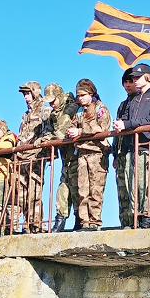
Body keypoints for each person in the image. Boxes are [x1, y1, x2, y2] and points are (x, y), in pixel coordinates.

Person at [113, 63, 150, 228]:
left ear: (148, 77)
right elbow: (126, 118)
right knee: (131, 186)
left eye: (137, 77)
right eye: (132, 77)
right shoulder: (133, 99)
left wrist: (127, 124)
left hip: (147, 146)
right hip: (130, 147)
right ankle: (136, 218)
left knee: (143, 185)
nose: (134, 80)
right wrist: (121, 125)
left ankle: (145, 218)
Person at [66, 79, 112, 230]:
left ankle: (94, 221)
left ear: (91, 93)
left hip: (96, 153)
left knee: (95, 189)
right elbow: (71, 127)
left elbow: (101, 128)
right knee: (82, 190)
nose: (80, 98)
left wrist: (80, 132)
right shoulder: (79, 111)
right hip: (81, 153)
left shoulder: (100, 108)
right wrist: (72, 132)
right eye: (78, 95)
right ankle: (84, 221)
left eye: (83, 95)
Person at [43, 83, 80, 232]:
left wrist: (49, 138)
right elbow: (50, 132)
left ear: (59, 96)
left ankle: (80, 221)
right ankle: (60, 221)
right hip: (66, 158)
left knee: (77, 190)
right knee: (63, 189)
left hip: (78, 156)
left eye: (53, 100)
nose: (51, 104)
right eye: (49, 102)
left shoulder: (70, 108)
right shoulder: (54, 113)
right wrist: (45, 138)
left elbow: (60, 133)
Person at [15, 82, 51, 234]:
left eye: (28, 94)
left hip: (35, 157)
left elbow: (47, 132)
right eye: (24, 95)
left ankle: (36, 224)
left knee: (34, 193)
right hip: (22, 157)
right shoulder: (26, 114)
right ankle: (27, 224)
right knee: (22, 194)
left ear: (35, 92)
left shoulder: (44, 109)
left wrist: (41, 149)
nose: (26, 97)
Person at [113, 70, 138, 228]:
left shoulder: (140, 101)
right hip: (121, 152)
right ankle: (125, 223)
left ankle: (137, 222)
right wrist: (115, 154)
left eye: (130, 81)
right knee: (122, 190)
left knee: (133, 188)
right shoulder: (122, 105)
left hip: (134, 150)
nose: (128, 85)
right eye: (125, 82)